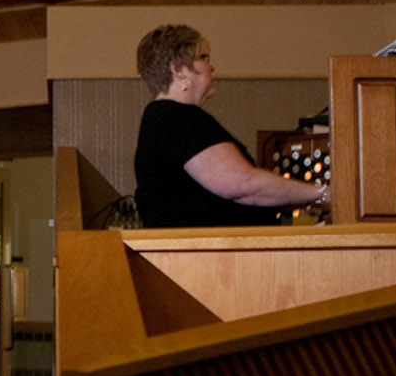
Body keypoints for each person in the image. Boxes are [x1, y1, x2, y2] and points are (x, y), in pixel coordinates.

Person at [133, 23, 330, 228]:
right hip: (208, 248)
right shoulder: (176, 117)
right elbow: (242, 184)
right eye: (204, 57)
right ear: (179, 69)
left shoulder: (165, 118)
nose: (212, 67)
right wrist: (322, 193)